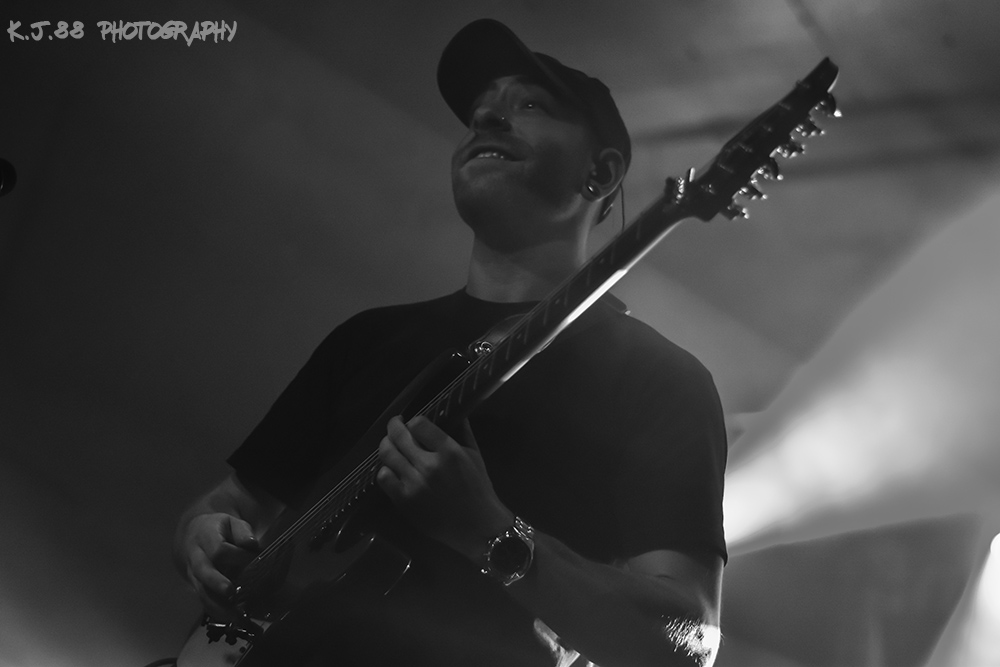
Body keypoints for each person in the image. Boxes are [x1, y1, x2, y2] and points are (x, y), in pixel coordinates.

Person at [174, 18, 727, 667]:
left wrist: (490, 532)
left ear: (600, 172)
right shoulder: (366, 339)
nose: (488, 118)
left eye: (527, 105)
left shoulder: (659, 379)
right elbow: (236, 498)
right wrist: (201, 535)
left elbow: (688, 642)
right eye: (478, 113)